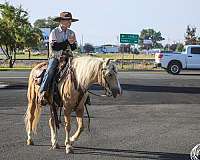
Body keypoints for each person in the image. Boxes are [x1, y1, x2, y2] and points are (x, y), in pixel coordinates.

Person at [39, 11, 78, 105]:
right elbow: (55, 46)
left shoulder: (71, 32)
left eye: (70, 21)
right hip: (56, 57)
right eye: (68, 20)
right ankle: (43, 92)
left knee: (80, 70)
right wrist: (67, 41)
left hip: (68, 57)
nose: (70, 22)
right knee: (50, 70)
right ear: (61, 21)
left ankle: (83, 94)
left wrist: (72, 44)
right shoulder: (54, 32)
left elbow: (74, 47)